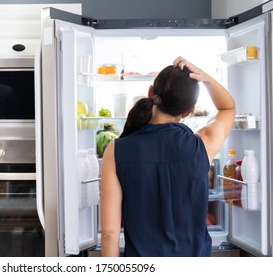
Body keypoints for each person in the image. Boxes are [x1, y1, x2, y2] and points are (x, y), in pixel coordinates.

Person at [100, 56, 235, 257]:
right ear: (189, 112)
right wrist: (204, 77)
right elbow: (228, 107)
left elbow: (110, 234)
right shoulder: (202, 145)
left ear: (150, 93)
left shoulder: (115, 149)